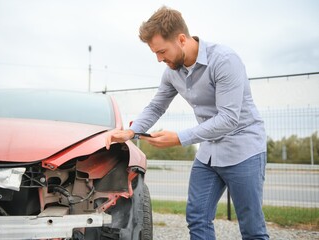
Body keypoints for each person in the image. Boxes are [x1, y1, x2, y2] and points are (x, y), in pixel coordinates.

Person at [106, 6, 269, 240]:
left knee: (252, 228)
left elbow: (228, 118)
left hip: (243, 151)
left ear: (181, 39)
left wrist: (180, 138)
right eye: (155, 53)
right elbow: (156, 106)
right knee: (197, 218)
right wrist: (131, 131)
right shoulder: (172, 70)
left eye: (162, 51)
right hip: (209, 153)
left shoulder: (224, 60)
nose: (159, 59)